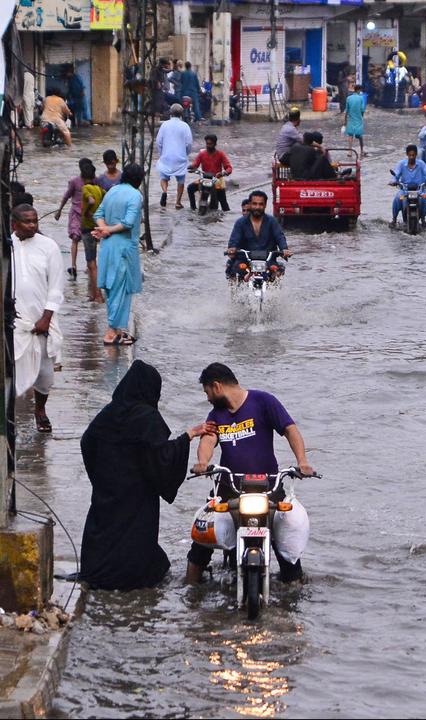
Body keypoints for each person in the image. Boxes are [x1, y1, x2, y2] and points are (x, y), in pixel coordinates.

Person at [79, 361, 218, 591]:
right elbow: (162, 457)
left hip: (108, 492)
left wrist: (101, 476)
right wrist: (189, 436)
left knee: (103, 533)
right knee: (137, 542)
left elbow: (87, 442)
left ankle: (96, 575)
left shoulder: (108, 413)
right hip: (137, 497)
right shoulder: (147, 418)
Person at [187, 363, 316, 584]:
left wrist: (302, 462)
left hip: (269, 487)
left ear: (217, 386)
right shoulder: (216, 414)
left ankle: (294, 593)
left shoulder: (264, 401)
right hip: (229, 488)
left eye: (207, 392)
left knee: (286, 547)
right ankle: (190, 594)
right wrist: (202, 462)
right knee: (201, 542)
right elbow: (208, 439)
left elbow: (290, 430)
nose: (208, 398)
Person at [10, 205, 65, 433]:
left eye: (35, 221)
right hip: (13, 322)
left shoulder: (48, 246)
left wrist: (46, 317)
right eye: (27, 221)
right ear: (14, 224)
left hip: (42, 321)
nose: (33, 225)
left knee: (45, 374)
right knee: (9, 372)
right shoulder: (7, 246)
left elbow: (56, 286)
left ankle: (40, 410)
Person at [91, 163, 145, 346]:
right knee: (120, 289)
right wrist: (109, 230)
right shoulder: (136, 195)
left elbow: (97, 214)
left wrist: (104, 228)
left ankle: (119, 330)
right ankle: (112, 331)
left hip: (107, 246)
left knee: (111, 288)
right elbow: (128, 223)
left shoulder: (113, 190)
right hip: (123, 246)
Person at [227, 190, 290, 278]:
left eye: (261, 204)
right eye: (254, 204)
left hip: (268, 260)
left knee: (276, 273)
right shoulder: (240, 223)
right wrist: (232, 248)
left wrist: (284, 249)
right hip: (245, 260)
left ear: (265, 205)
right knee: (234, 272)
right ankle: (237, 291)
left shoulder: (272, 221)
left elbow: (279, 237)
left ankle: (274, 291)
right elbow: (234, 239)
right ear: (249, 204)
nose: (257, 207)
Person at [55, 158, 94, 280]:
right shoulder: (74, 182)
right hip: (76, 214)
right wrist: (59, 210)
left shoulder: (94, 181)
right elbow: (66, 196)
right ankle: (73, 265)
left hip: (89, 215)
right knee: (75, 238)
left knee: (90, 240)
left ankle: (90, 266)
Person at [154, 104, 192, 209]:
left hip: (166, 156)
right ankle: (178, 202)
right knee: (181, 181)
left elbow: (159, 142)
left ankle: (165, 191)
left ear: (170, 113)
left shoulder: (164, 125)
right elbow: (188, 144)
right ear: (181, 114)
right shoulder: (185, 126)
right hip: (180, 157)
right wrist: (186, 153)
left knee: (163, 177)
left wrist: (162, 154)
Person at [390, 144, 426, 227]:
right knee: (397, 198)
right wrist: (393, 181)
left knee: (424, 198)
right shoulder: (401, 164)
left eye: (413, 155)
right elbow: (395, 175)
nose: (411, 157)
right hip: (405, 190)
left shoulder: (421, 164)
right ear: (407, 155)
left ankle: (423, 219)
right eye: (410, 155)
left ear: (416, 155)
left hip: (419, 190)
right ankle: (394, 219)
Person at [186, 133, 233, 211]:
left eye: (210, 144)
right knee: (190, 188)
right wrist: (192, 167)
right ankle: (193, 208)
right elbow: (195, 164)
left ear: (215, 144)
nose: (208, 146)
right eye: (207, 144)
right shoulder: (202, 154)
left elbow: (229, 167)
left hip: (217, 180)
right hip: (205, 178)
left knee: (224, 205)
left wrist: (223, 173)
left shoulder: (220, 154)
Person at [80, 172, 105, 303]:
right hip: (99, 226)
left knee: (91, 263)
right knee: (99, 261)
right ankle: (96, 293)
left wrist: (86, 212)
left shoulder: (85, 188)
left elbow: (91, 200)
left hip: (87, 228)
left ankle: (98, 295)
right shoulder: (99, 189)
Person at [343, 84, 367, 156]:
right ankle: (362, 151)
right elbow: (362, 109)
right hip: (358, 118)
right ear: (359, 90)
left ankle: (350, 151)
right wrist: (361, 117)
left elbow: (346, 110)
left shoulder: (348, 98)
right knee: (359, 135)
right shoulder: (361, 98)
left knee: (350, 135)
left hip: (351, 118)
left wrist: (345, 120)